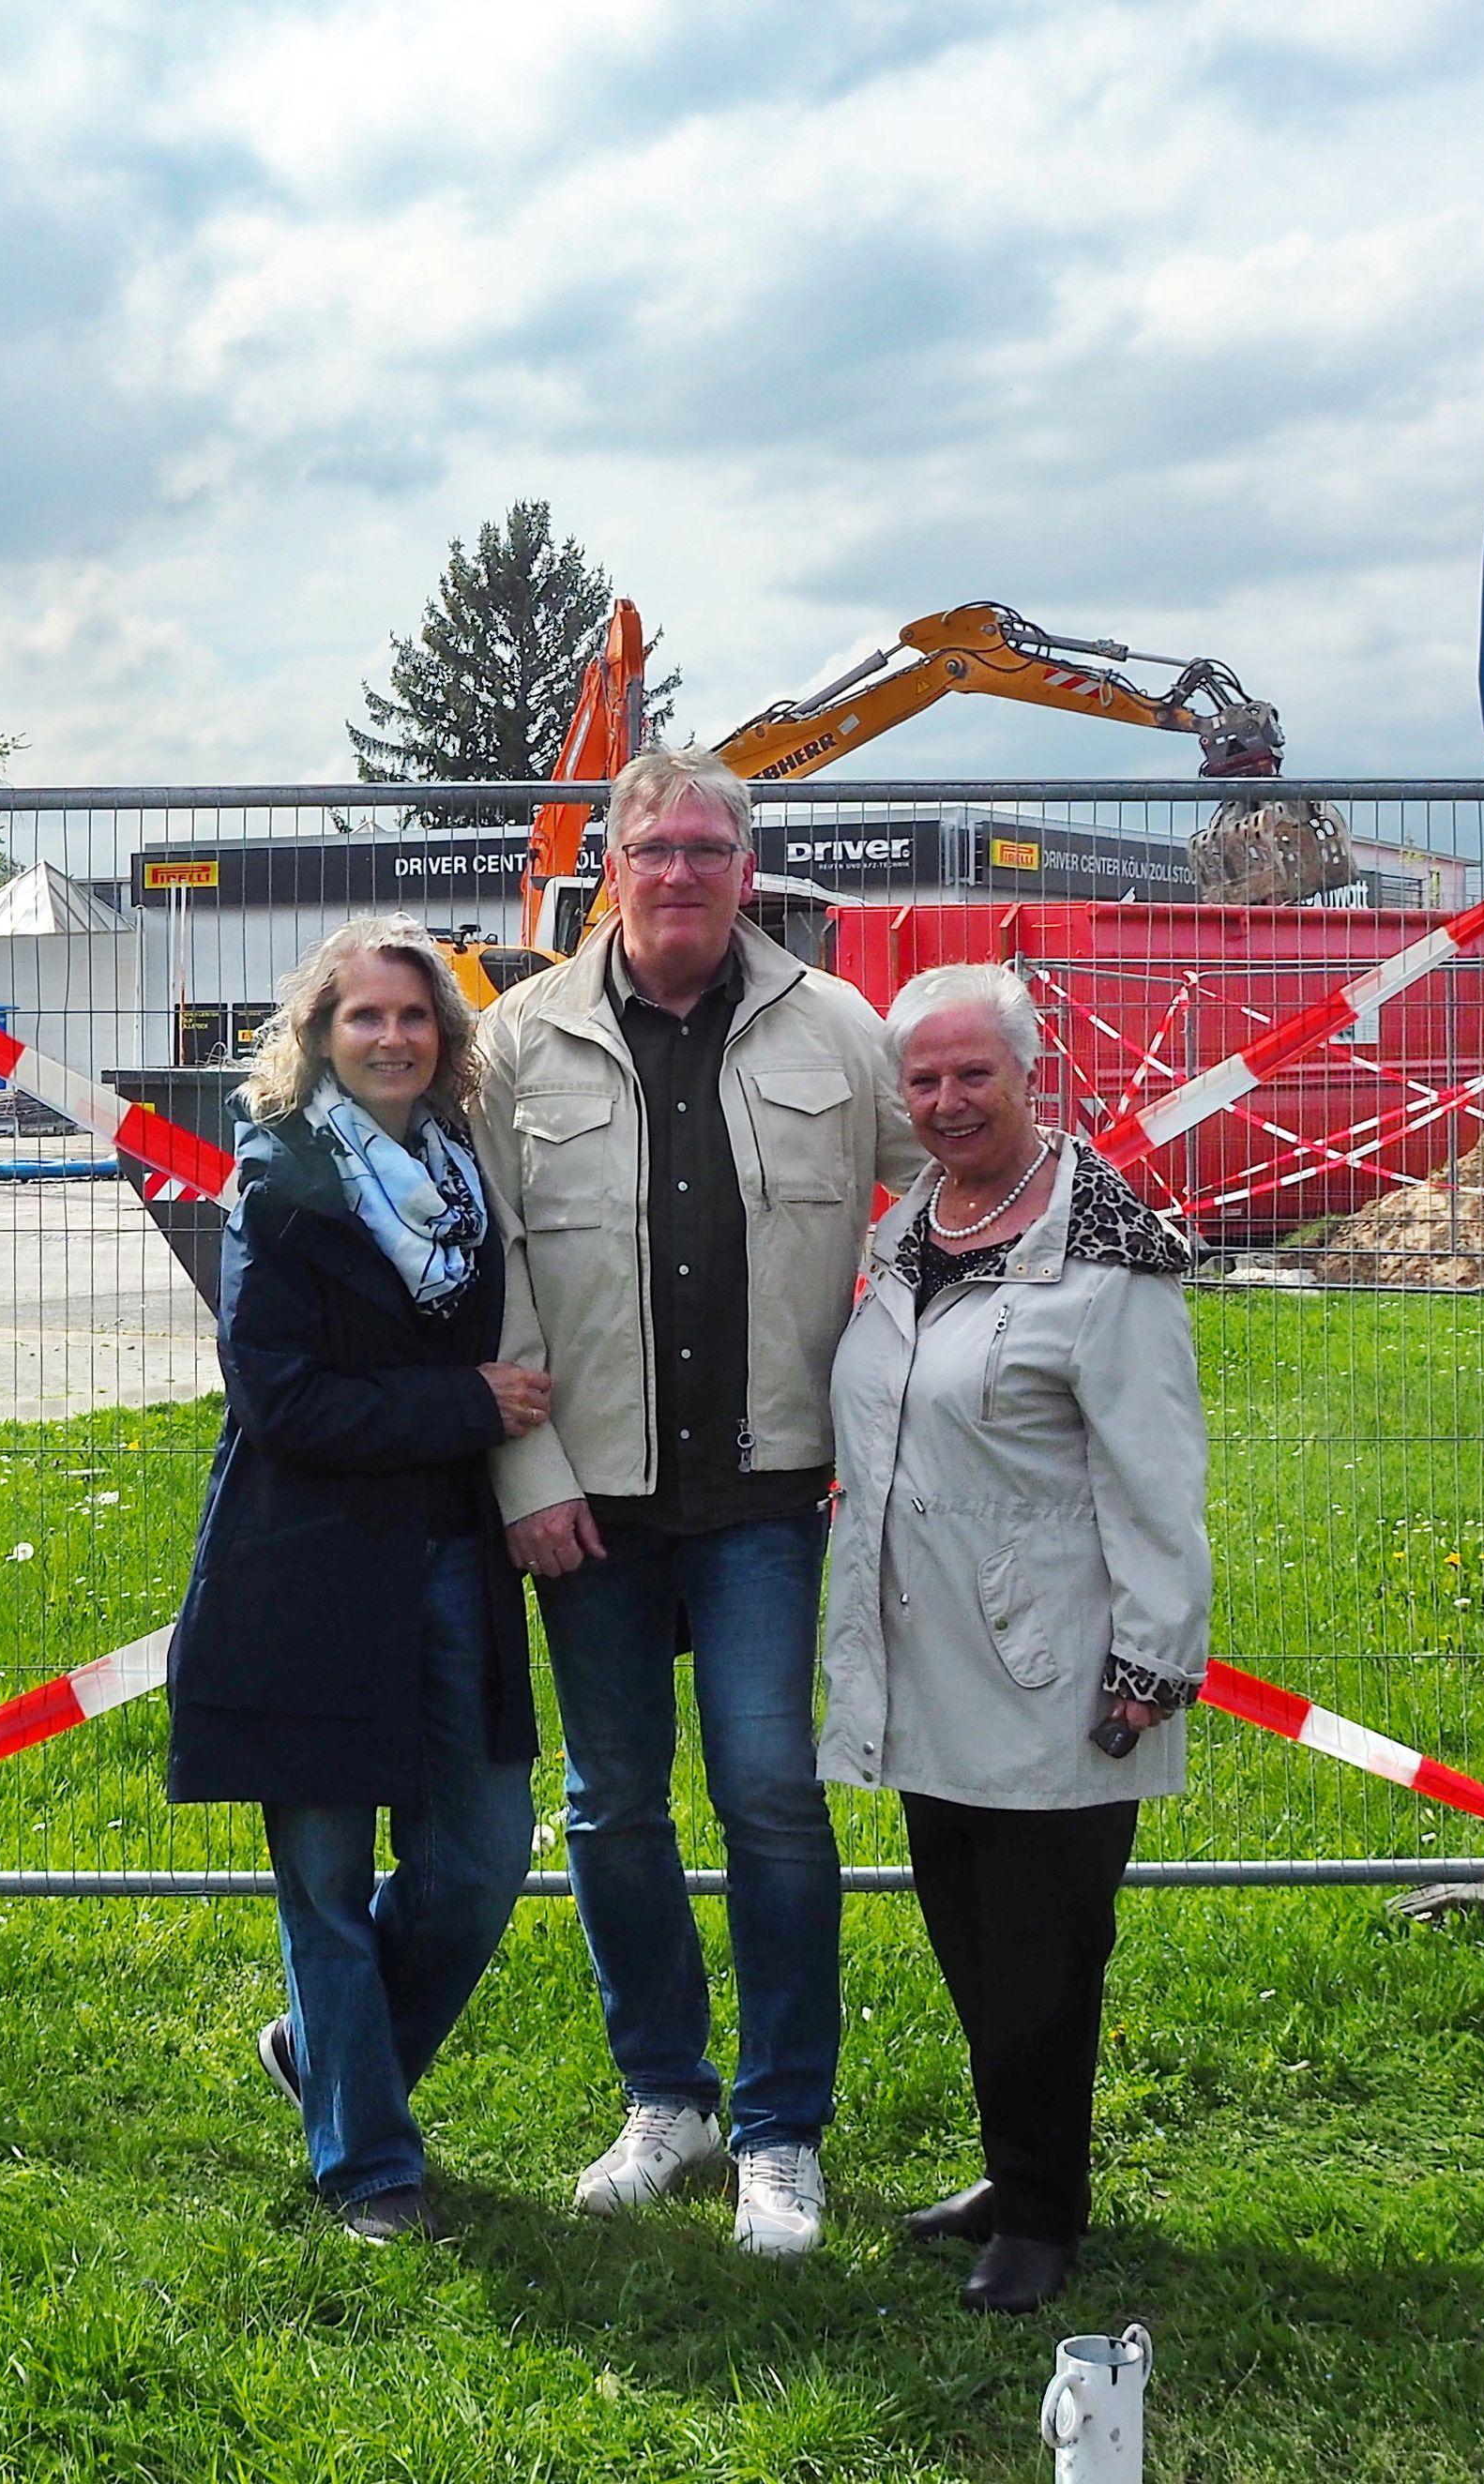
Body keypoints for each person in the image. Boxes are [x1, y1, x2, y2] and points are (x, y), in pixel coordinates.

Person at [472, 745, 927, 2257]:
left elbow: (950, 1186)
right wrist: (526, 1474)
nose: (680, 874)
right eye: (653, 848)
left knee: (770, 1798)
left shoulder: (842, 1031)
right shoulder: (515, 1043)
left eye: (706, 851)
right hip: (587, 1503)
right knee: (611, 1805)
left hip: (762, 1497)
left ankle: (782, 2128)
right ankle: (666, 2099)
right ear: (612, 863)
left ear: (748, 868)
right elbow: (493, 1285)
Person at [820, 961, 1209, 2315]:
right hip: (925, 1665)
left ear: (1032, 1076)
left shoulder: (1105, 1255)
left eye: (971, 1073)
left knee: (1044, 1958)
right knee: (973, 1943)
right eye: (921, 1080)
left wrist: (1153, 1660)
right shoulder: (909, 1231)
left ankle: (1043, 2212)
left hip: (1058, 1667)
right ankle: (1015, 2162)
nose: (946, 1100)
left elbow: (1158, 1480)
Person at [165, 915, 558, 2245]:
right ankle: (368, 2162)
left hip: (452, 1560)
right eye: (364, 1017)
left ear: (446, 1037)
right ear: (319, 1037)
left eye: (415, 1016)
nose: (392, 1037)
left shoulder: (462, 1173)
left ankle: (328, 2054)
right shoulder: (278, 1180)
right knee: (323, 1882)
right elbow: (281, 1400)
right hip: (308, 1577)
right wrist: (463, 1404)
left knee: (485, 1855)